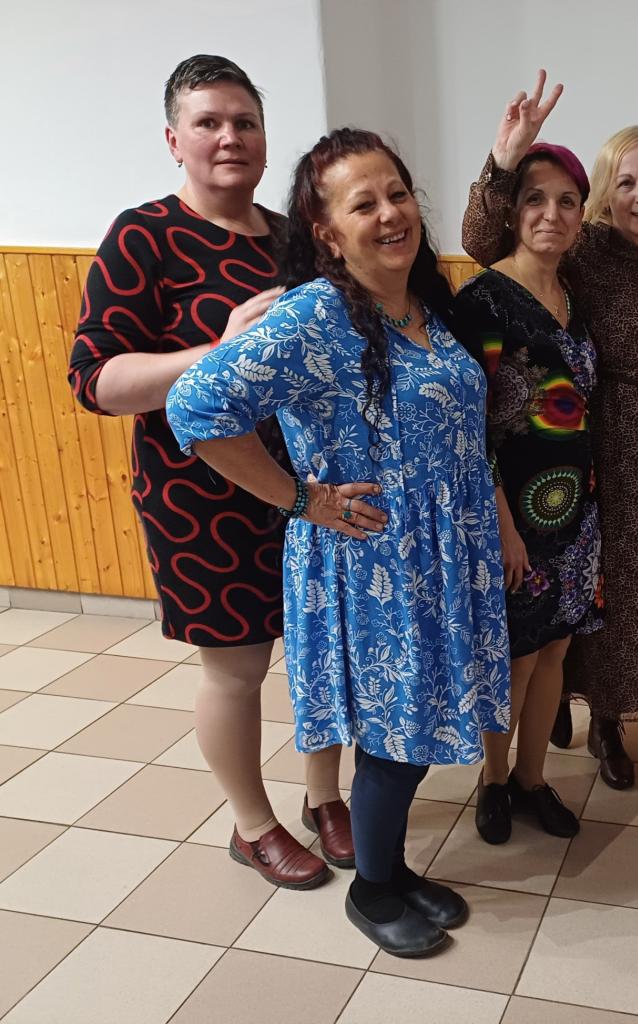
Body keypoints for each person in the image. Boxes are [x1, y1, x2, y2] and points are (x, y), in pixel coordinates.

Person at [166, 127, 510, 957]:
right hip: (373, 560)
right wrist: (300, 498)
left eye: (397, 194)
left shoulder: (420, 301)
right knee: (394, 737)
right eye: (364, 204)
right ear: (326, 232)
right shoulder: (314, 315)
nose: (390, 214)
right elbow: (193, 407)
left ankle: (393, 868)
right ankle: (374, 890)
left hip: (442, 554)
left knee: (417, 724)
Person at [68, 55, 362, 888]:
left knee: (320, 647)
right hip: (198, 496)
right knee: (237, 668)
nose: (229, 137)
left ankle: (324, 796)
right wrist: (218, 350)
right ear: (175, 140)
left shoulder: (294, 238)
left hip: (310, 490)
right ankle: (252, 824)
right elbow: (97, 381)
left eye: (245, 122)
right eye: (209, 123)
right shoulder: (144, 236)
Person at [463, 72, 638, 790]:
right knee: (583, 600)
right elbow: (483, 242)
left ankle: (588, 713)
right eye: (625, 182)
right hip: (593, 447)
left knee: (633, 591)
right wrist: (504, 158)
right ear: (604, 193)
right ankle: (575, 725)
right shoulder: (583, 252)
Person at [455, 142, 601, 844]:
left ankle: (532, 779)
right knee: (513, 658)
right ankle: (492, 780)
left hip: (575, 512)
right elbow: (467, 427)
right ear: (512, 212)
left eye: (567, 202)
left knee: (553, 654)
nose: (552, 214)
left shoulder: (575, 296)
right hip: (511, 516)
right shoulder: (483, 300)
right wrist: (503, 527)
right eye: (536, 199)